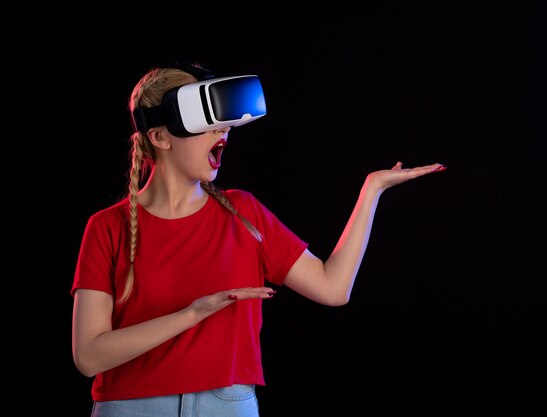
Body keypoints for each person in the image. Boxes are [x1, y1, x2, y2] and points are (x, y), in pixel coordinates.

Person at [71, 62, 447, 417]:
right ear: (158, 137)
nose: (224, 132)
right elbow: (88, 356)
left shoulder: (243, 213)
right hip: (130, 406)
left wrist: (372, 190)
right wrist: (193, 313)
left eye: (225, 123)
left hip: (227, 404)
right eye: (208, 123)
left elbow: (334, 288)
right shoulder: (108, 227)